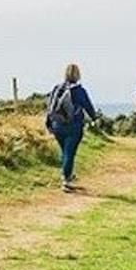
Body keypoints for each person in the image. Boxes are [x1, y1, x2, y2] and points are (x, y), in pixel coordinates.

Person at [45, 63, 99, 192]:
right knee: (70, 152)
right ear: (78, 75)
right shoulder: (79, 90)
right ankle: (66, 180)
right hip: (73, 125)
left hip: (56, 125)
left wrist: (48, 123)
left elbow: (50, 107)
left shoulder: (57, 88)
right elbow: (88, 106)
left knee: (64, 151)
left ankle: (67, 174)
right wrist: (94, 119)